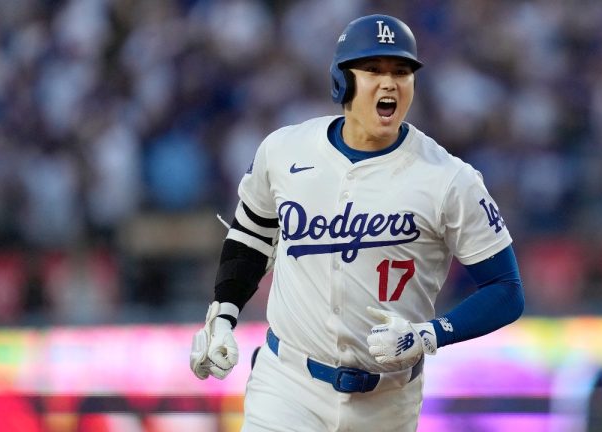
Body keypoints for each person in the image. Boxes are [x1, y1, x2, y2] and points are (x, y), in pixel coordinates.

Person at [189, 14, 524, 431]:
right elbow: (251, 236)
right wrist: (223, 316)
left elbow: (506, 290)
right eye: (373, 70)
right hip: (288, 386)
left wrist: (430, 334)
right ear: (342, 81)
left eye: (401, 71)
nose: (389, 83)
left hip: (387, 401)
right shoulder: (285, 150)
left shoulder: (448, 178)